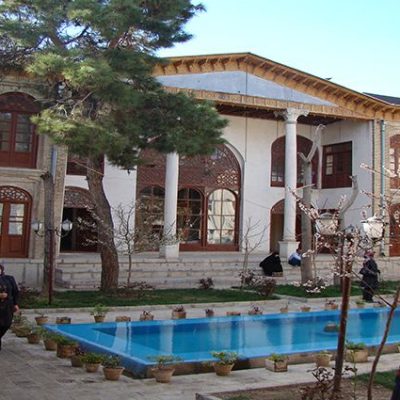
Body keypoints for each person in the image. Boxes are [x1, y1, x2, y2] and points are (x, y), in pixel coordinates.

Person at [0, 263, 19, 350]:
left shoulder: (9, 278)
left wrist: (15, 304)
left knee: (6, 324)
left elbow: (15, 291)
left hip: (7, 306)